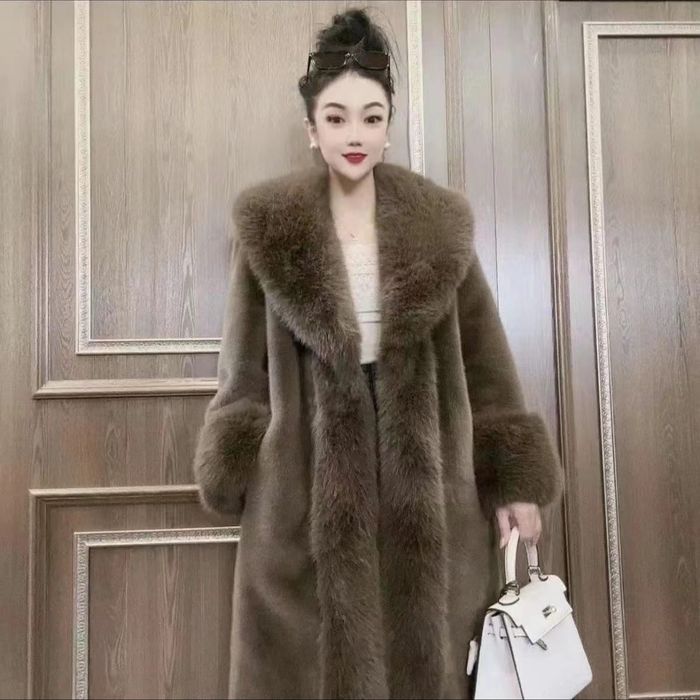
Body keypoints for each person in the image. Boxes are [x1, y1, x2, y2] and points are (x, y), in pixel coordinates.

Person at [192, 7, 564, 699]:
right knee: (309, 664)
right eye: (336, 118)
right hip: (303, 471)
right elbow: (242, 369)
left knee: (428, 652)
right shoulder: (270, 228)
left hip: (427, 469)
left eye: (371, 116)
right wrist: (240, 462)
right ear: (312, 128)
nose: (355, 134)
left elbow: (485, 361)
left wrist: (513, 480)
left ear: (389, 126)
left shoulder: (439, 225)